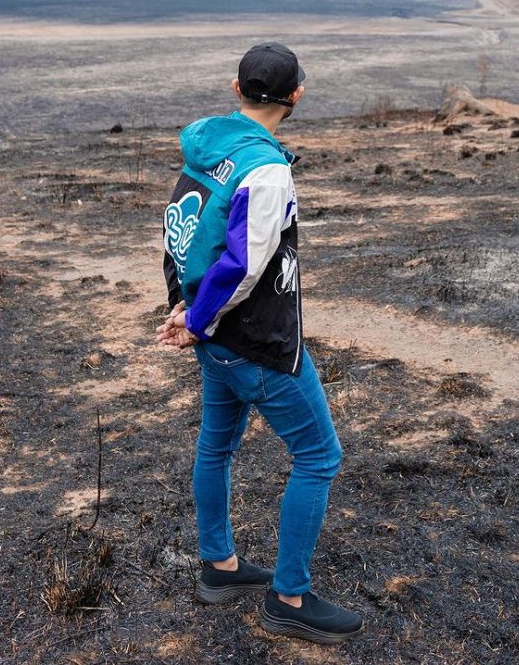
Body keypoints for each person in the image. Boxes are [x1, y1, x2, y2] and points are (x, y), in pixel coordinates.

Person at [155, 42, 364, 645]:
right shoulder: (265, 169)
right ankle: (289, 597)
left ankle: (219, 567)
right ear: (296, 94)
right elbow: (244, 262)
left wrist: (184, 306)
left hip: (215, 338)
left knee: (216, 445)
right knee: (319, 457)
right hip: (254, 340)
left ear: (235, 87)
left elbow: (183, 230)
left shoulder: (209, 146)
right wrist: (196, 318)